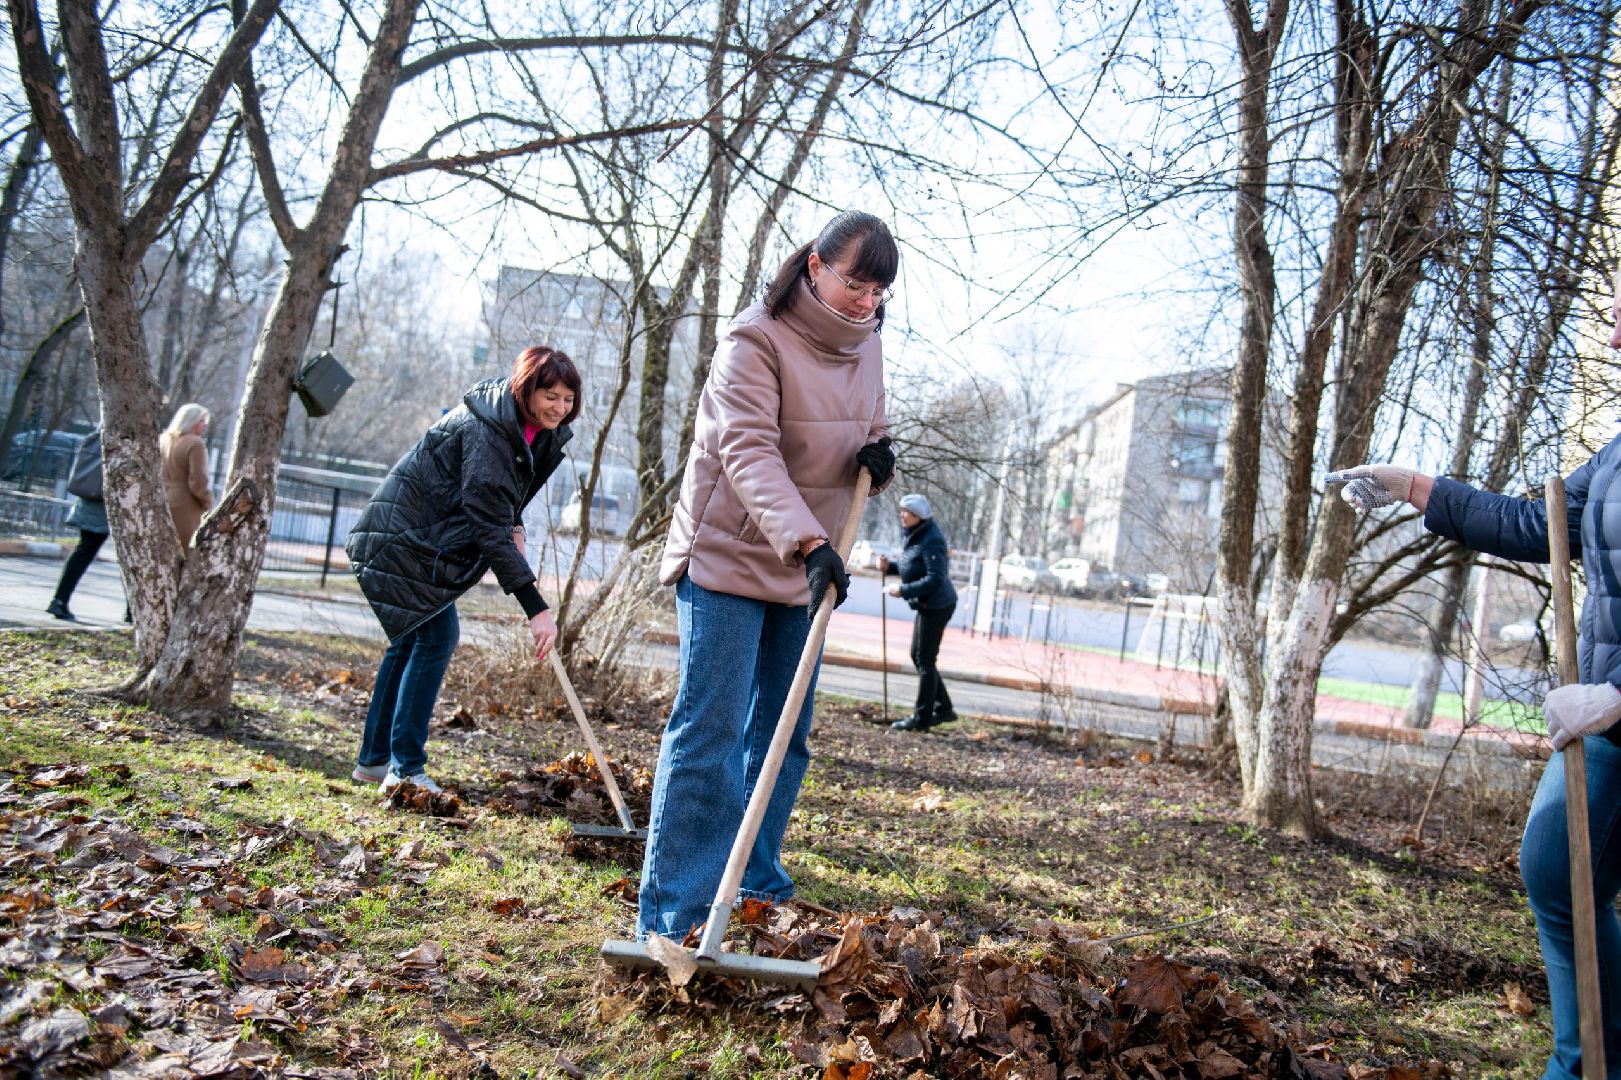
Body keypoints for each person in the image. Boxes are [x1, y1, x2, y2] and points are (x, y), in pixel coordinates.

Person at [1328, 277, 1621, 1080]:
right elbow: (1542, 523)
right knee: (1555, 868)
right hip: (1603, 718)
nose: (1612, 339)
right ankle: (1587, 1061)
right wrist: (1410, 485)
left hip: (1611, 705)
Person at [639, 210, 898, 941]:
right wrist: (811, 544)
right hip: (727, 554)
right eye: (855, 282)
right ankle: (676, 918)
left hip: (805, 562)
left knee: (784, 736)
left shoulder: (869, 347)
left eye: (878, 290)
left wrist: (876, 465)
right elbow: (747, 452)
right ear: (815, 266)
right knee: (709, 731)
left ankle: (751, 885)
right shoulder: (751, 340)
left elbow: (867, 434)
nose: (866, 301)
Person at [345, 346, 580, 794]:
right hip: (409, 540)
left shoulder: (529, 429)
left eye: (568, 399)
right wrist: (536, 608)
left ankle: (375, 760)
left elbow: (500, 498)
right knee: (437, 636)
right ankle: (405, 770)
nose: (560, 407)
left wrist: (515, 522)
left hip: (422, 538)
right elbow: (486, 521)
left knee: (410, 638)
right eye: (551, 395)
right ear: (527, 387)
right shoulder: (490, 430)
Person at [879, 492, 958, 732]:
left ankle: (922, 718)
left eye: (908, 512)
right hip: (927, 604)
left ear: (919, 516)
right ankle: (944, 708)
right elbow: (913, 567)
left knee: (925, 659)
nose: (902, 516)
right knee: (920, 656)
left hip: (937, 604)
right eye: (902, 511)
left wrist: (902, 590)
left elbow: (935, 578)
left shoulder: (931, 539)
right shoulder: (916, 535)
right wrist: (890, 567)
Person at [46, 427, 107, 622]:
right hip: (105, 505)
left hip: (88, 501)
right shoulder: (124, 439)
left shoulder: (95, 436)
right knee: (128, 558)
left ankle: (59, 599)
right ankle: (132, 612)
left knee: (83, 551)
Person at [160, 403, 213, 554]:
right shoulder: (195, 443)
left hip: (164, 498)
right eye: (201, 421)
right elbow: (198, 480)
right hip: (186, 503)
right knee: (186, 554)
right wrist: (207, 500)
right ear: (191, 421)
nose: (205, 425)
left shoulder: (164, 440)